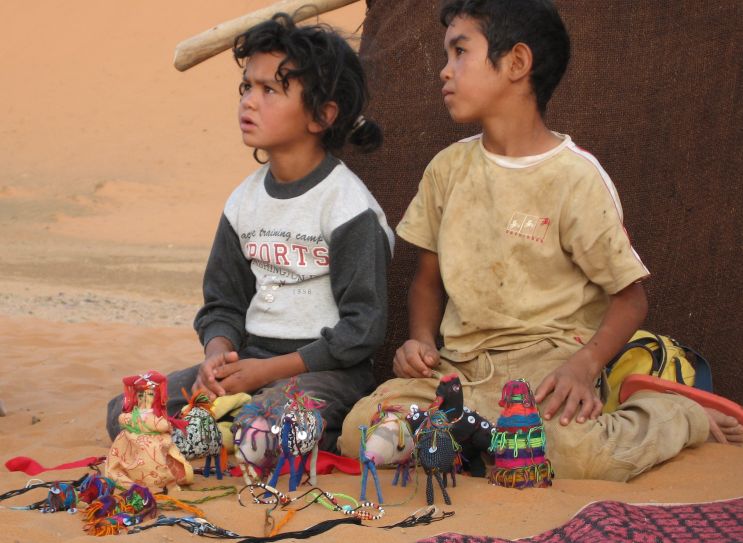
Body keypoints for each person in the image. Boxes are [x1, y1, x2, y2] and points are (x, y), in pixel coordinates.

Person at [338, 0, 743, 480]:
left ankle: (674, 413)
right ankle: (487, 440)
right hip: (459, 372)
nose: (444, 72)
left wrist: (583, 365)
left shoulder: (575, 178)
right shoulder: (447, 170)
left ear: (516, 63)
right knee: (360, 430)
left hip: (548, 367)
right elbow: (427, 280)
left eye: (459, 52)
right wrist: (421, 341)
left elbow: (630, 299)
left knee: (579, 458)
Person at [107, 13, 393, 453]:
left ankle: (259, 431)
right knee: (127, 412)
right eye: (247, 87)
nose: (249, 102)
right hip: (250, 362)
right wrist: (217, 354)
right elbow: (223, 300)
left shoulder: (347, 206)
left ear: (321, 115)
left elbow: (363, 329)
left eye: (270, 90)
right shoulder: (244, 200)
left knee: (265, 430)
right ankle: (228, 430)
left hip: (326, 371)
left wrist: (270, 372)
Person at [105, 371, 193, 489]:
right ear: (136, 397)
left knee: (158, 449)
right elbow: (122, 419)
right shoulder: (132, 414)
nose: (145, 399)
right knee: (125, 446)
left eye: (150, 395)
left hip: (155, 440)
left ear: (156, 397)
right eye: (141, 395)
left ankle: (159, 477)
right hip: (132, 440)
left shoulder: (156, 416)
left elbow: (163, 425)